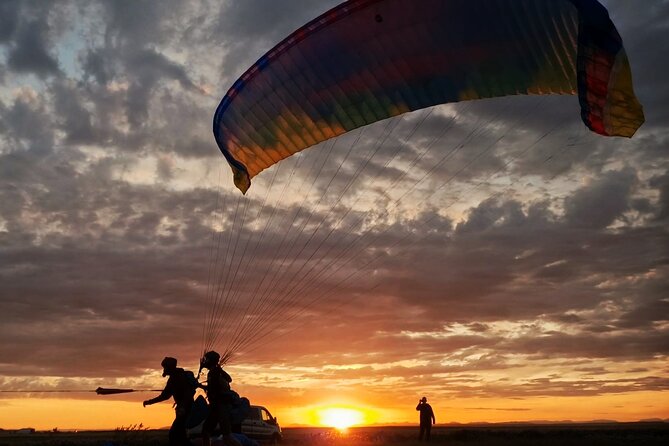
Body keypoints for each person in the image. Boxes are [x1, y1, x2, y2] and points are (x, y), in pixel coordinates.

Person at [143, 357, 196, 446]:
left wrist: (149, 402)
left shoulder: (175, 378)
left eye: (165, 367)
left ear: (169, 367)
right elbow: (166, 395)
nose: (164, 370)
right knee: (181, 435)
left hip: (184, 409)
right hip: (186, 407)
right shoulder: (180, 375)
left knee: (173, 434)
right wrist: (149, 402)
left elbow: (166, 396)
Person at [199, 351, 241, 446]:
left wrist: (199, 386)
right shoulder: (216, 372)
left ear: (210, 361)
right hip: (217, 407)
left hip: (220, 407)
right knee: (206, 431)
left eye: (206, 360)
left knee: (226, 437)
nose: (204, 361)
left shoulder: (214, 373)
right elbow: (228, 380)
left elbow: (214, 389)